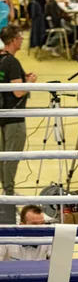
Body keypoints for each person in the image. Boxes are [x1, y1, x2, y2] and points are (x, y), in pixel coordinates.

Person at [0, 25, 35, 196]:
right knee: (11, 158)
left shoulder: (1, 59)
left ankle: (7, 191)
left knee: (3, 158)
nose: (22, 40)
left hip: (2, 115)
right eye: (20, 37)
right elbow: (18, 91)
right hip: (14, 117)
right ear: (13, 40)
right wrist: (30, 82)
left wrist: (22, 79)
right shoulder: (12, 62)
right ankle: (9, 193)